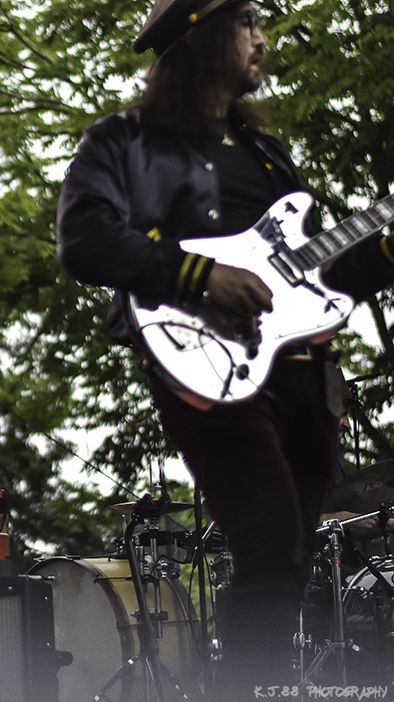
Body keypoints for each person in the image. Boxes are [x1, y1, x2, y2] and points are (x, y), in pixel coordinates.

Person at [56, 0, 394, 697]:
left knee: (294, 557)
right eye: (249, 24)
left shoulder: (268, 156)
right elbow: (84, 238)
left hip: (302, 375)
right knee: (270, 545)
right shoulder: (125, 142)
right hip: (207, 366)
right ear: (205, 36)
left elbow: (319, 280)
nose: (263, 40)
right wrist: (198, 275)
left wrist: (383, 251)